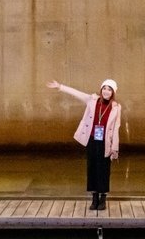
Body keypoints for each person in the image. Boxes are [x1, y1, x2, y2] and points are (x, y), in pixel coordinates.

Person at [46, 79, 121, 210]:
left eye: (109, 89)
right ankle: (94, 198)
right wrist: (60, 87)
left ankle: (103, 198)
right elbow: (76, 93)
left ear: (113, 92)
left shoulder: (116, 107)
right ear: (101, 89)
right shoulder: (92, 100)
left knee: (103, 170)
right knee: (92, 168)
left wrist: (115, 148)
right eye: (104, 88)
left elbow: (116, 128)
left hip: (105, 142)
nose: (106, 91)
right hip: (92, 139)